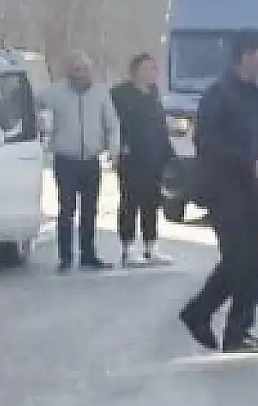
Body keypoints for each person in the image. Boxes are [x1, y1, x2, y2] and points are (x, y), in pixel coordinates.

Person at [179, 34, 258, 353]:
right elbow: (206, 143)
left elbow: (257, 138)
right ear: (245, 55)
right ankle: (198, 312)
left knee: (257, 262)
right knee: (237, 260)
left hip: (253, 191)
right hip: (224, 189)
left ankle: (239, 331)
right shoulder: (218, 95)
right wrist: (247, 164)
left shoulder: (253, 94)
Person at [40, 51, 121, 272]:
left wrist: (113, 150)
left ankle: (88, 254)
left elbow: (112, 124)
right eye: (77, 69)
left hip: (90, 160)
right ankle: (65, 257)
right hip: (66, 160)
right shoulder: (55, 92)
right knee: (67, 209)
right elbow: (34, 104)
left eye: (85, 69)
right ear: (69, 72)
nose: (82, 74)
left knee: (89, 209)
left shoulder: (100, 93)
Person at [110, 52, 173, 267]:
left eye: (155, 69)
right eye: (148, 69)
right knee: (130, 201)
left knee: (152, 202)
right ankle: (128, 247)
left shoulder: (154, 94)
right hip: (130, 158)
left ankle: (151, 245)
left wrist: (169, 155)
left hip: (154, 158)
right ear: (135, 71)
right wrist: (117, 148)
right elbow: (112, 125)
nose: (153, 73)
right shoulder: (120, 95)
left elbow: (161, 127)